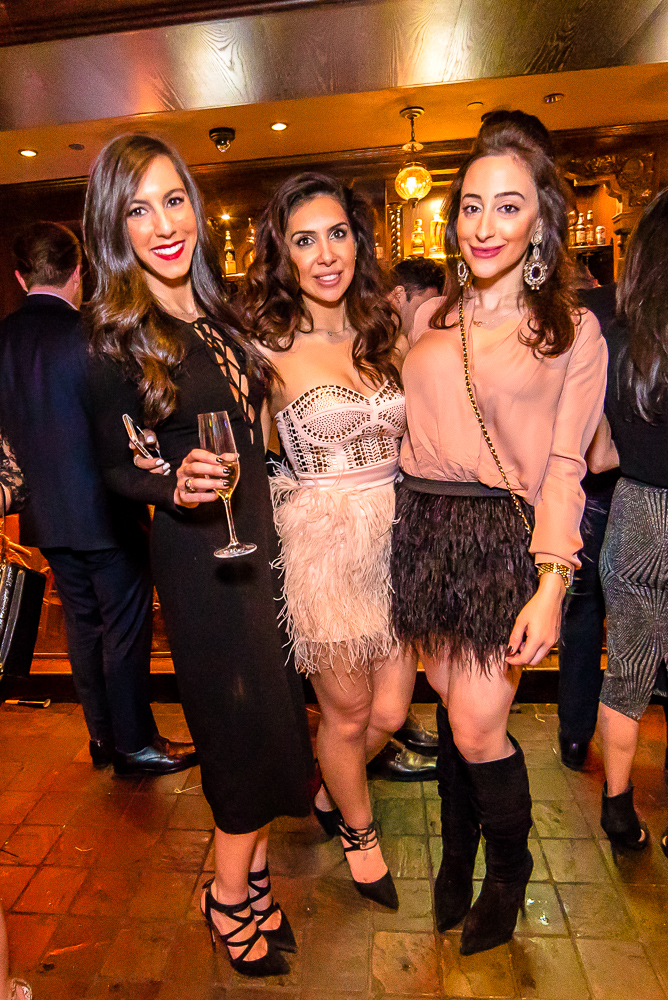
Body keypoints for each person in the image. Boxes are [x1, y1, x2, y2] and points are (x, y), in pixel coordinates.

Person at [84, 133, 313, 977]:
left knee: (274, 715)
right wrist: (169, 485)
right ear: (115, 229)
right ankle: (225, 895)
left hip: (258, 543)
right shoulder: (117, 336)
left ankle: (255, 883)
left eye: (174, 199)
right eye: (138, 210)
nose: (164, 224)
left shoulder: (216, 313)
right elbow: (113, 466)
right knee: (237, 728)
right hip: (202, 561)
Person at [390, 110, 606, 955]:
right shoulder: (431, 319)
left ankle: (508, 873)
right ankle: (456, 852)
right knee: (453, 708)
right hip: (421, 533)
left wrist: (552, 584)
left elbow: (566, 466)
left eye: (508, 207)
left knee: (480, 723)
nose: (484, 226)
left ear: (540, 223)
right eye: (471, 207)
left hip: (499, 541)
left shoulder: (570, 332)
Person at [242, 172, 417, 910]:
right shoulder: (265, 349)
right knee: (347, 713)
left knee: (392, 714)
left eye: (337, 234)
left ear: (358, 241)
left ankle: (327, 788)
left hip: (400, 539)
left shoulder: (388, 331)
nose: (325, 255)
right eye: (304, 240)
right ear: (282, 253)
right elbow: (246, 461)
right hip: (324, 546)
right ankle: (359, 835)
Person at [0, 221, 195, 776]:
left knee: (83, 630)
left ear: (21, 277)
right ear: (79, 271)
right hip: (107, 509)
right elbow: (127, 428)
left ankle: (103, 737)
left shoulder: (4, 339)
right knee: (125, 632)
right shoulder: (95, 335)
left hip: (44, 515)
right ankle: (135, 745)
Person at [596, 188, 668, 856]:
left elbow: (598, 455)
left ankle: (618, 808)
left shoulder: (616, 340)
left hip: (638, 509)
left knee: (626, 672)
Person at [557, 280, 620, 770]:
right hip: (633, 486)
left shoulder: (588, 314)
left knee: (582, 610)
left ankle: (576, 736)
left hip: (585, 487)